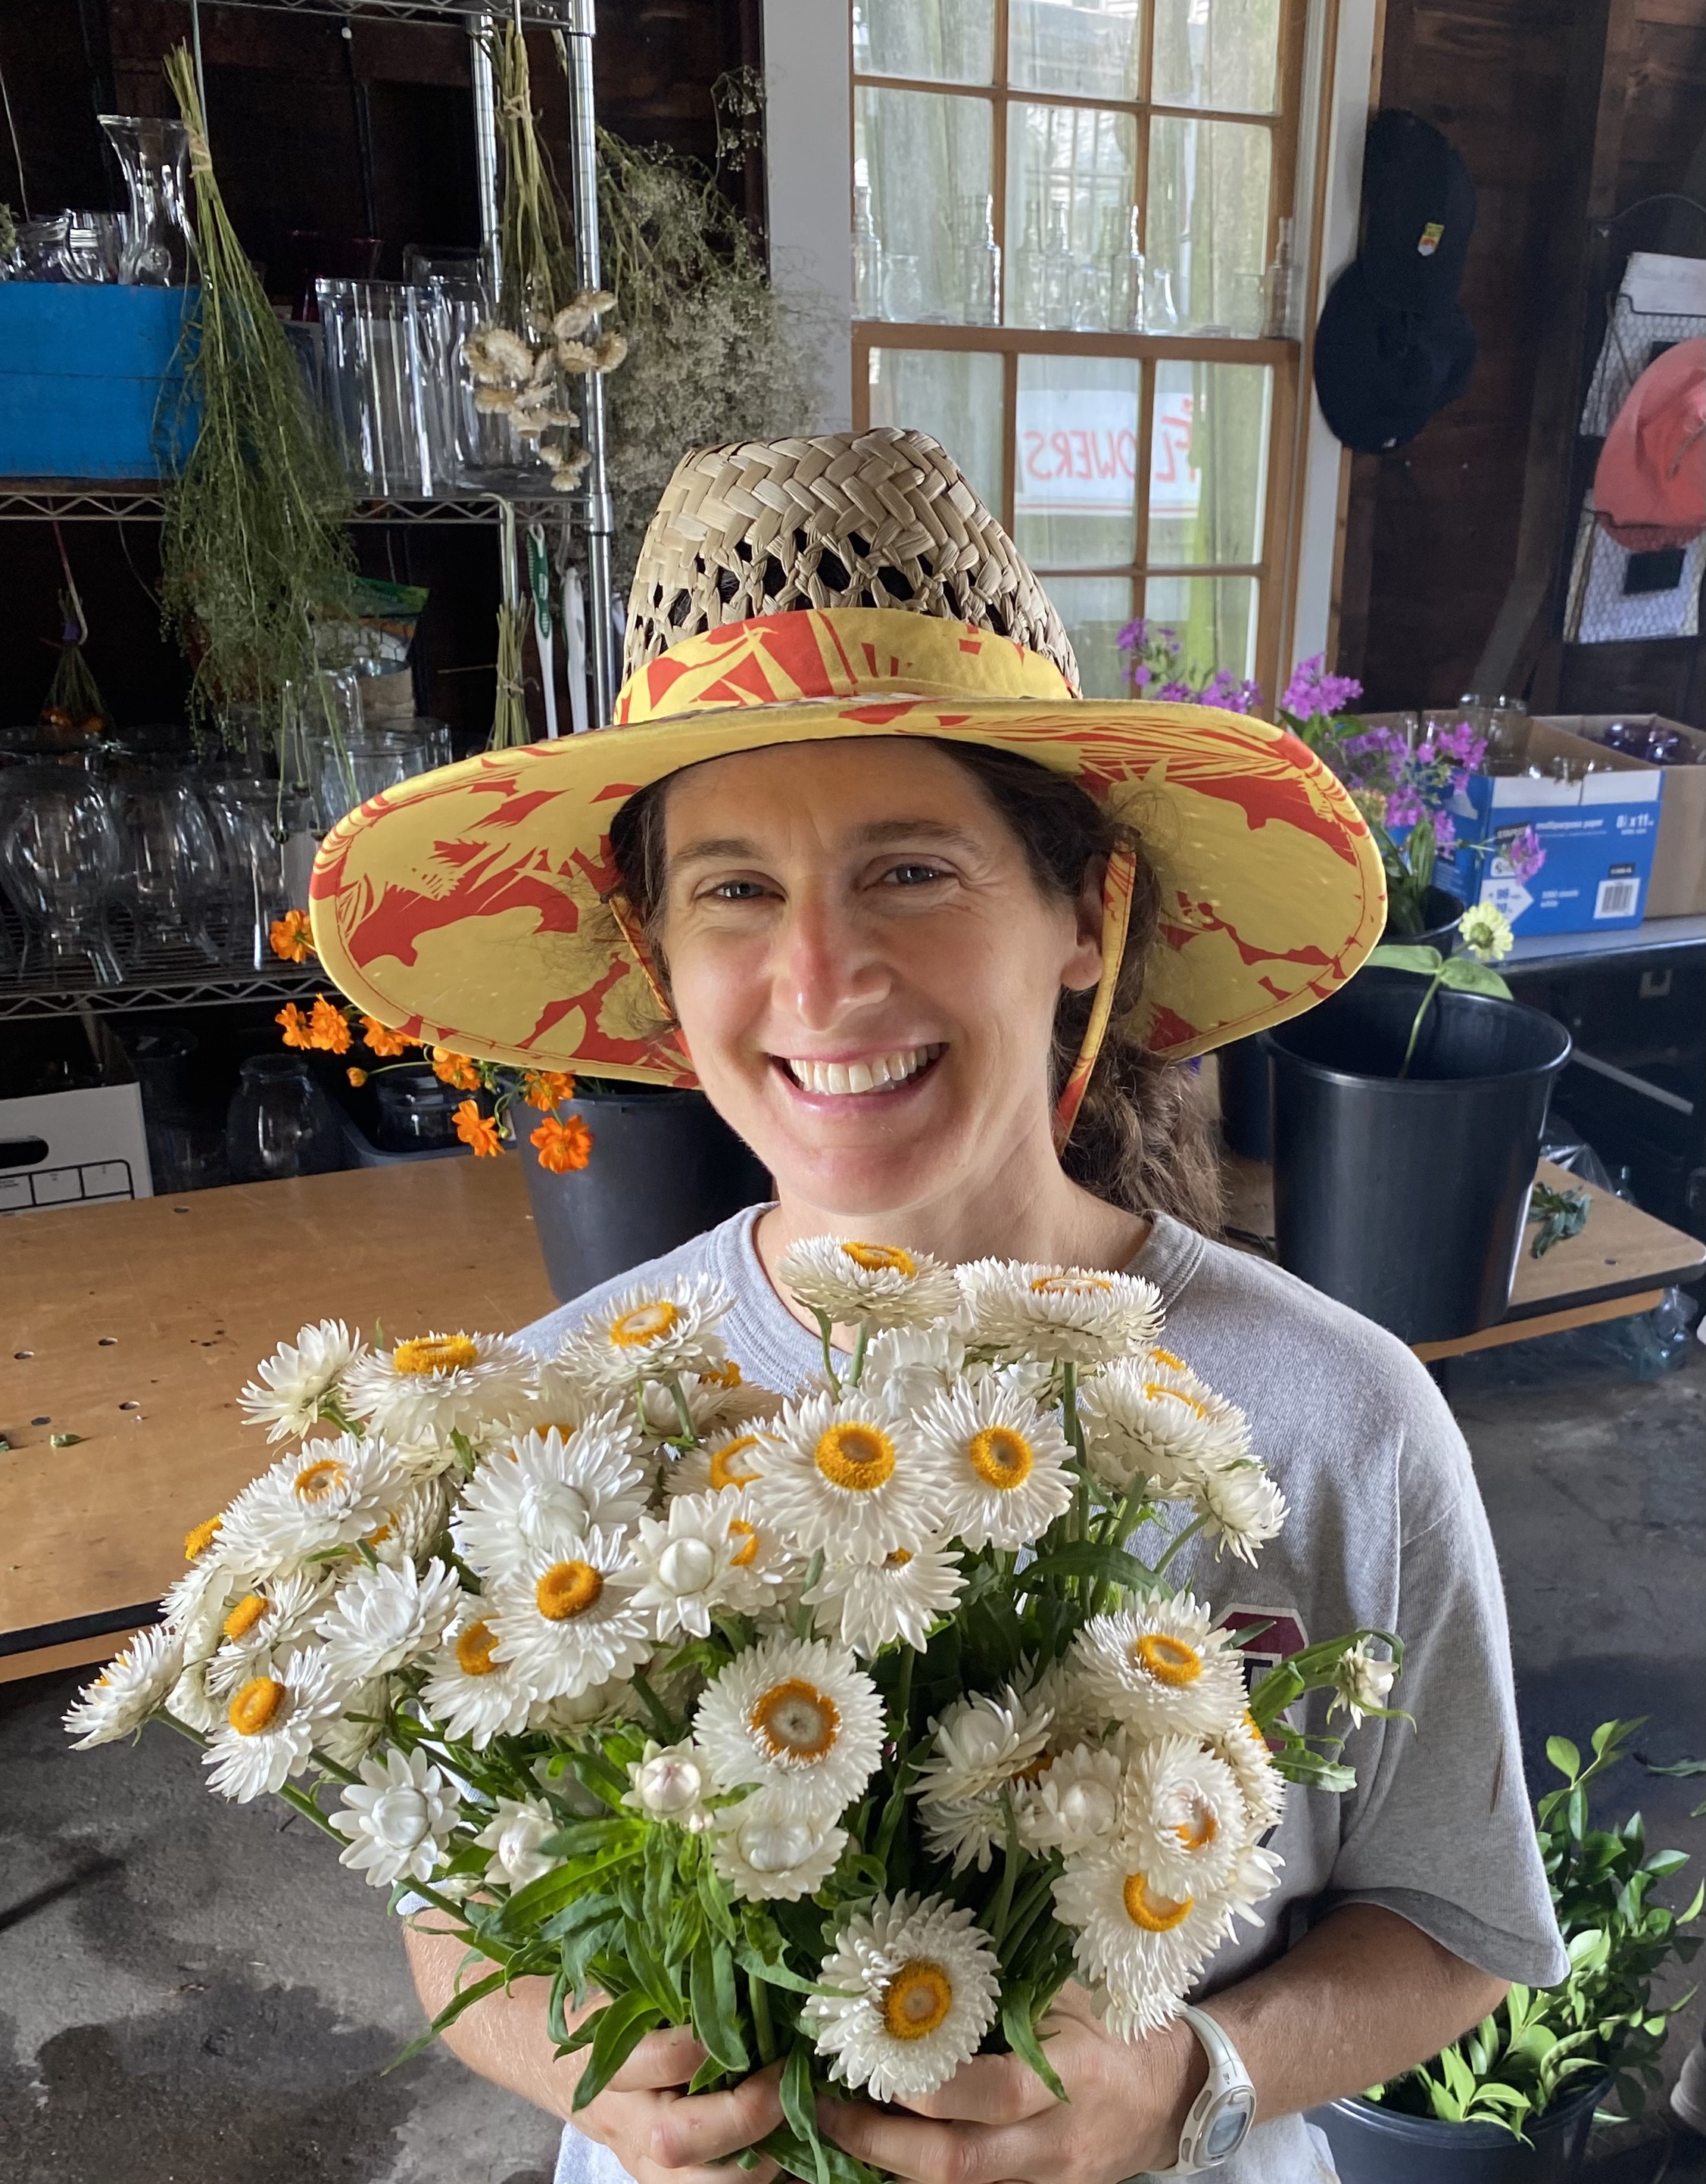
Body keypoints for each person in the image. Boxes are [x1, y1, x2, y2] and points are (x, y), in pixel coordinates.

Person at [310, 428, 1567, 2183]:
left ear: (1083, 911)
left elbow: (1451, 1915)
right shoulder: (550, 1416)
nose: (822, 975)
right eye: (735, 889)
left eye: (911, 867)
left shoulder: (1326, 1413)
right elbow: (447, 1915)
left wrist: (1191, 2072)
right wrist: (589, 2075)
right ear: (656, 966)